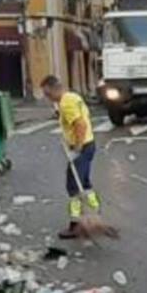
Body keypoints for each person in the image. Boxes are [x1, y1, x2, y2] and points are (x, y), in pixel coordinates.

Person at [41, 75, 102, 239]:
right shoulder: (73, 97)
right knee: (85, 184)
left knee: (73, 188)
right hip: (89, 144)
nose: (48, 98)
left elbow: (80, 124)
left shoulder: (66, 102)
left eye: (48, 94)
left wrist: (78, 147)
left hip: (82, 147)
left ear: (55, 89)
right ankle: (95, 214)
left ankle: (75, 225)